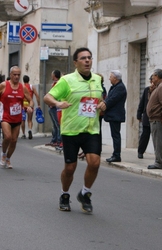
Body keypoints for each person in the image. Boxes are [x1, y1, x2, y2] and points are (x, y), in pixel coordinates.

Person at [44, 47, 103, 213]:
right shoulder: (67, 80)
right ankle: (64, 194)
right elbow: (47, 97)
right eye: (83, 58)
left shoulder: (97, 80)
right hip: (71, 130)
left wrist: (102, 104)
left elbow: (99, 99)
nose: (87, 61)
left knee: (95, 163)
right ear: (75, 62)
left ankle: (85, 193)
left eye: (89, 58)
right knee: (70, 168)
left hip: (91, 129)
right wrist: (57, 104)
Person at [0, 66, 34, 169]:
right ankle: (3, 153)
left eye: (18, 75)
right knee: (7, 137)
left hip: (17, 117)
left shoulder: (23, 87)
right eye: (14, 75)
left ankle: (8, 158)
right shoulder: (4, 85)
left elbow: (31, 100)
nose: (16, 77)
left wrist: (30, 106)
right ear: (10, 75)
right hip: (5, 116)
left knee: (14, 140)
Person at [146, 69, 162, 170]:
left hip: (158, 119)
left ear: (157, 76)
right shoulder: (158, 87)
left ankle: (160, 162)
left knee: (159, 141)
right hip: (154, 118)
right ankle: (158, 161)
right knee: (157, 141)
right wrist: (151, 90)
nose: (151, 79)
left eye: (152, 76)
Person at [104, 70, 127, 163]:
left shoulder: (120, 87)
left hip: (116, 115)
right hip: (113, 115)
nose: (109, 79)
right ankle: (115, 154)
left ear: (115, 78)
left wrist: (104, 104)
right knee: (115, 135)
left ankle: (117, 155)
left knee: (116, 135)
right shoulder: (115, 87)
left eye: (110, 77)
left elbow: (112, 99)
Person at [136, 76, 152, 159]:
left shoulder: (159, 89)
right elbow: (142, 103)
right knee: (145, 135)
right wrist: (139, 114)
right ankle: (140, 151)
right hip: (147, 116)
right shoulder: (147, 90)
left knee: (158, 137)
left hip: (156, 116)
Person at [20, 75, 40, 139]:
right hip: (30, 105)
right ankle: (30, 130)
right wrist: (39, 104)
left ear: (23, 80)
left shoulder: (21, 87)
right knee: (30, 119)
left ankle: (23, 134)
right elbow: (37, 95)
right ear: (29, 80)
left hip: (22, 106)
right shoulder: (32, 87)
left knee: (22, 120)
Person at [46, 70, 61, 147]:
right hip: (52, 106)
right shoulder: (55, 84)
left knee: (57, 124)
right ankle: (54, 139)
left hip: (55, 107)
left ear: (54, 75)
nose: (51, 75)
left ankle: (58, 140)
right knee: (55, 125)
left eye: (52, 74)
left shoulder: (58, 84)